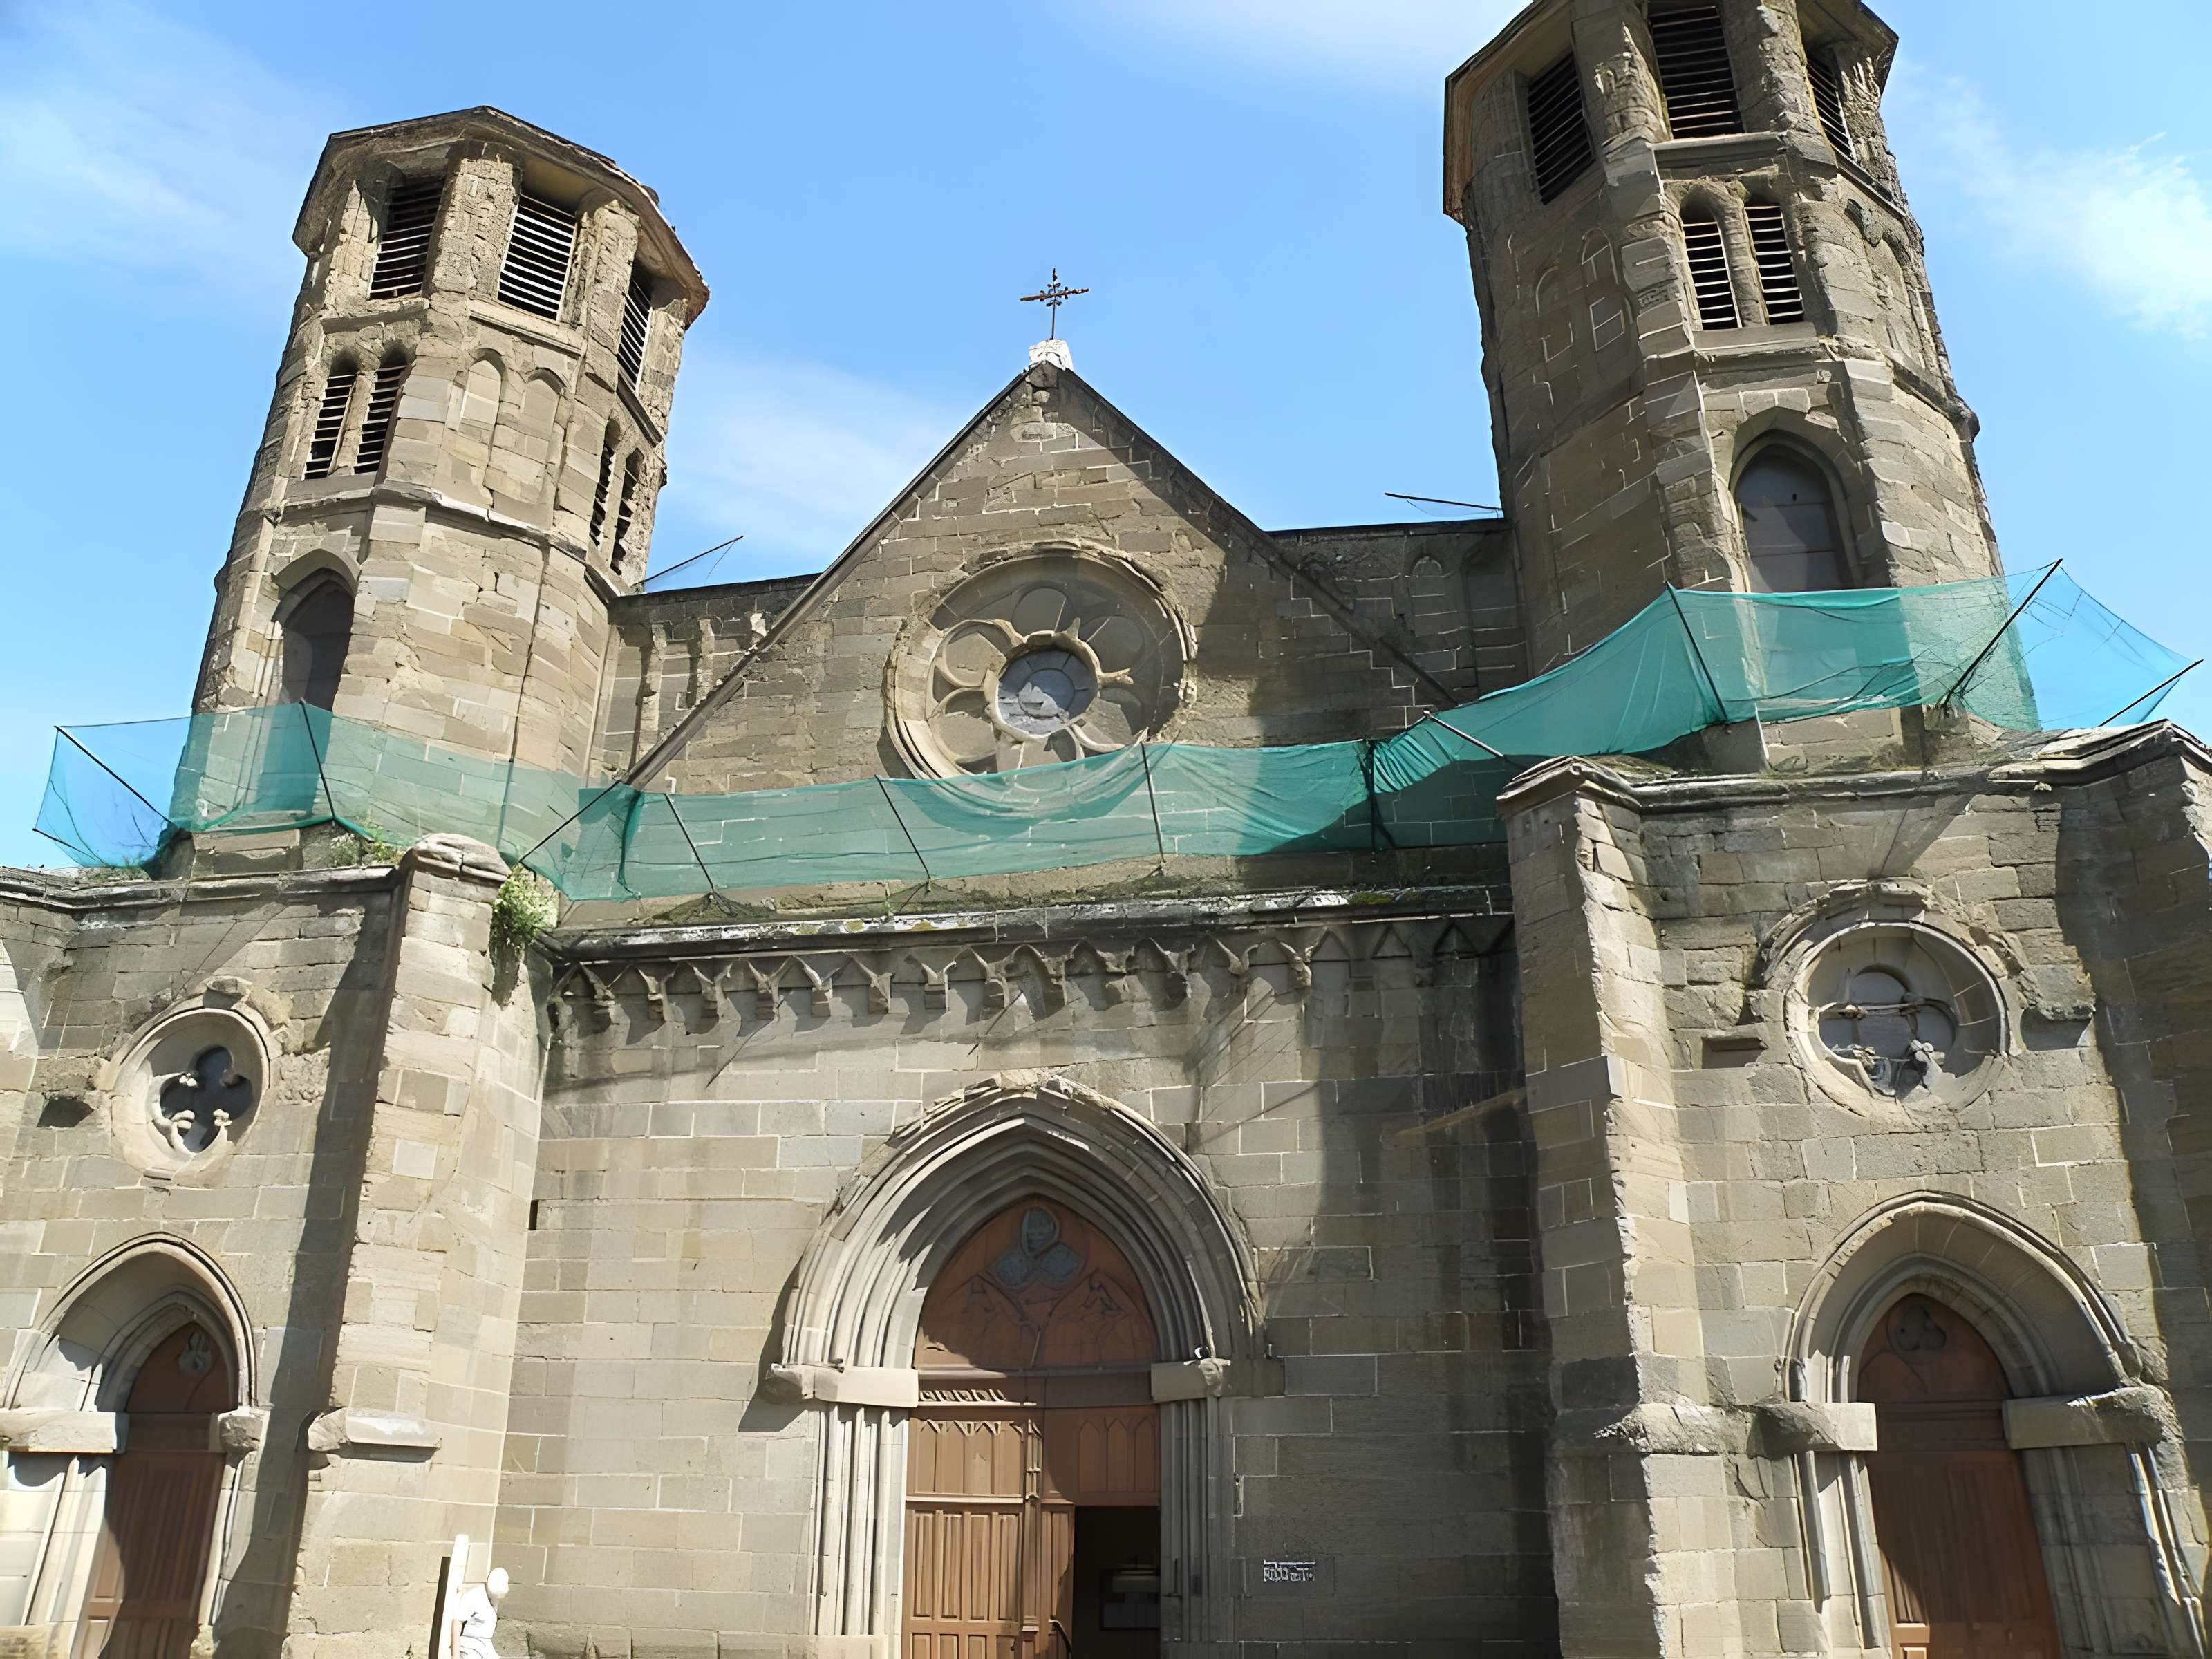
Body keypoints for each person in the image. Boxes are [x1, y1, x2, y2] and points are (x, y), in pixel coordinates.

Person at [449, 1567, 508, 1659]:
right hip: (469, 1645)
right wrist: (455, 1655)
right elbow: (457, 1622)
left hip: (485, 1646)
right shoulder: (473, 1597)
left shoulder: (494, 1600)